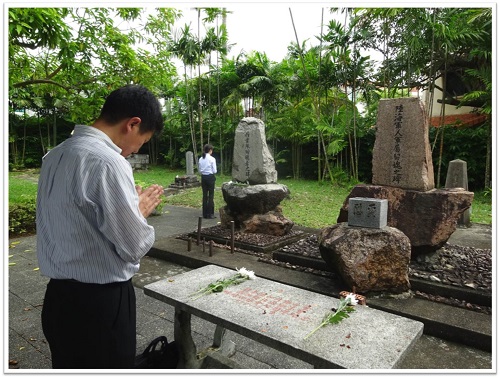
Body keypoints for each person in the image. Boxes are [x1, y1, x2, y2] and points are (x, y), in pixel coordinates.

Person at [36, 84, 165, 369]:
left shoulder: (55, 155)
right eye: (142, 142)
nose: (134, 151)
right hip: (99, 306)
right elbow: (134, 246)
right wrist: (139, 212)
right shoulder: (108, 162)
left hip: (58, 299)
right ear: (133, 124)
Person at [198, 144, 217, 219]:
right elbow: (215, 170)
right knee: (211, 195)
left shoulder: (201, 159)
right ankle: (210, 214)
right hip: (210, 177)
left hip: (203, 177)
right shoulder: (212, 159)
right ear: (210, 150)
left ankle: (204, 213)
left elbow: (200, 170)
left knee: (205, 195)